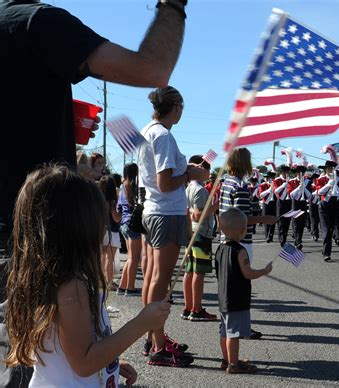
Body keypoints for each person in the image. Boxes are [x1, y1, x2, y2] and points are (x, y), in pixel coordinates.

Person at [0, 1, 187, 384]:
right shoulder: (34, 22)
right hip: (28, 236)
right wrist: (173, 5)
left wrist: (111, 365)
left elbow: (69, 353)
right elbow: (153, 67)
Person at [5, 165, 171, 387]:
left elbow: (69, 350)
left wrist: (110, 363)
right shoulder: (71, 286)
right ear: (77, 226)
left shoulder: (50, 277)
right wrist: (142, 323)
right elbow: (83, 362)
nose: (101, 227)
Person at [138, 86, 208, 367]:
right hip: (165, 212)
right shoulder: (164, 135)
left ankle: (152, 337)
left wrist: (186, 172)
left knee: (153, 277)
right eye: (182, 107)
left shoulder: (148, 130)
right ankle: (157, 346)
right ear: (175, 107)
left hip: (154, 211)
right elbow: (166, 182)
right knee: (160, 280)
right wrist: (191, 173)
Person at [219, 147, 277, 340]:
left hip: (225, 239)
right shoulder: (240, 188)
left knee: (228, 286)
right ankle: (241, 327)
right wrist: (264, 218)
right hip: (241, 240)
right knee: (242, 286)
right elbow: (242, 219)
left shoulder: (226, 184)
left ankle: (228, 326)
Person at [215, 208, 272, 374]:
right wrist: (264, 270)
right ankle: (234, 364)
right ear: (242, 230)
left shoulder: (220, 249)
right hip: (237, 298)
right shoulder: (240, 250)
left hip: (223, 297)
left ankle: (226, 359)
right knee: (234, 333)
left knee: (224, 331)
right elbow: (248, 273)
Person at [182, 155, 219, 322]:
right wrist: (215, 206)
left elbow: (189, 210)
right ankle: (196, 309)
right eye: (207, 170)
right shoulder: (200, 190)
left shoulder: (189, 186)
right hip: (201, 233)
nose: (208, 174)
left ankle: (188, 306)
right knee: (199, 272)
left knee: (189, 271)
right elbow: (198, 215)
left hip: (192, 233)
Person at [116, 163, 142, 296]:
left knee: (130, 257)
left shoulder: (121, 186)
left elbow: (119, 207)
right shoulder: (133, 186)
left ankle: (123, 285)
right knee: (134, 258)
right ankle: (130, 287)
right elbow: (135, 204)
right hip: (134, 223)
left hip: (124, 223)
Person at [98, 175, 122, 291]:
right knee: (110, 258)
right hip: (112, 231)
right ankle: (109, 283)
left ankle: (100, 281)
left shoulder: (99, 199)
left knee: (102, 256)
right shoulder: (112, 202)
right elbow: (116, 218)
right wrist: (121, 214)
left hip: (101, 230)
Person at [316, 161, 339, 262]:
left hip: (334, 205)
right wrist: (328, 185)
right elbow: (319, 192)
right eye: (329, 168)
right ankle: (327, 253)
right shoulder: (321, 179)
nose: (331, 170)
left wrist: (334, 183)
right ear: (326, 169)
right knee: (326, 230)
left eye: (332, 168)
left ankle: (325, 250)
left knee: (331, 230)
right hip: (324, 206)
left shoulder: (338, 180)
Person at [288, 164, 312, 250]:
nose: (300, 174)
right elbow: (291, 195)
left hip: (303, 203)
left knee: (301, 223)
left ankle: (299, 240)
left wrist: (304, 188)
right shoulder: (291, 181)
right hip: (295, 203)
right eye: (299, 172)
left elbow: (309, 196)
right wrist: (299, 187)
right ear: (296, 173)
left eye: (302, 172)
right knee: (295, 223)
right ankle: (297, 242)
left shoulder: (308, 182)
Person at [274, 164, 292, 247]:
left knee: (287, 221)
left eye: (287, 171)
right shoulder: (277, 180)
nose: (286, 173)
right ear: (281, 172)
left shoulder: (290, 180)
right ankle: (281, 239)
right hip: (281, 202)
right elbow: (276, 191)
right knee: (281, 221)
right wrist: (283, 185)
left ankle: (284, 238)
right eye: (285, 171)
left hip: (288, 202)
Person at [258, 171, 277, 243]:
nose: (269, 179)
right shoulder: (262, 185)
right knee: (266, 220)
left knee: (273, 220)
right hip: (266, 203)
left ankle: (271, 236)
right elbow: (261, 195)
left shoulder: (275, 185)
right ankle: (267, 236)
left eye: (271, 178)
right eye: (268, 178)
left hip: (274, 203)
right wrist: (269, 190)